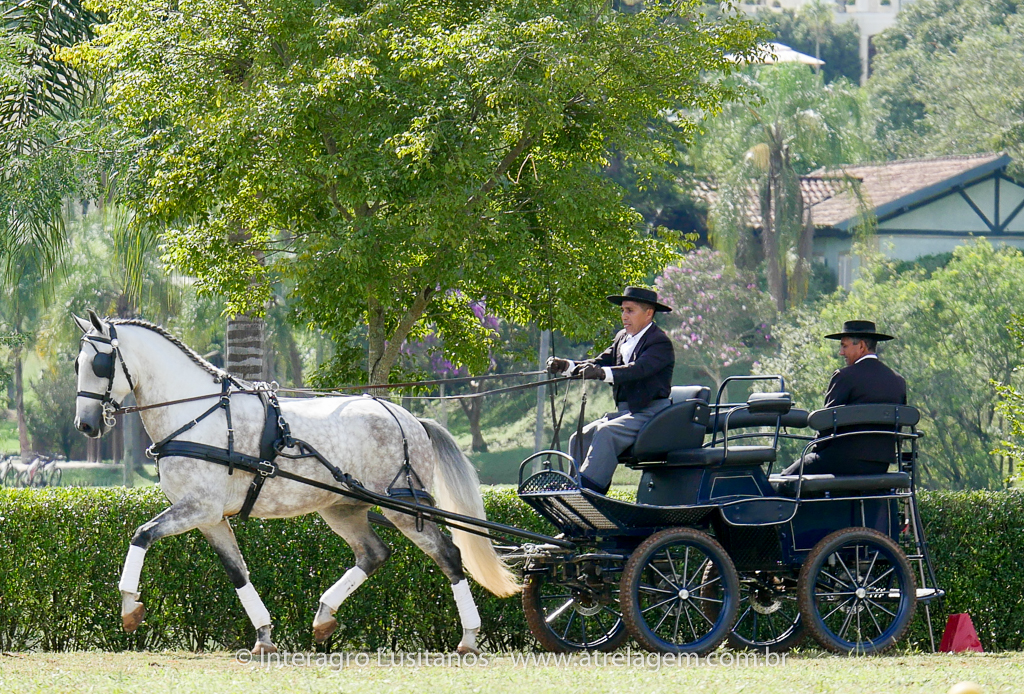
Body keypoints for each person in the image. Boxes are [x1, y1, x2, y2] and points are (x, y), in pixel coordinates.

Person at [546, 286, 675, 494]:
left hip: (651, 413)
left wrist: (600, 373)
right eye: (623, 310)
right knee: (580, 436)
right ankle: (573, 482)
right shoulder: (621, 338)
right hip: (627, 413)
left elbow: (637, 370)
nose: (624, 316)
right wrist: (567, 366)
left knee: (607, 432)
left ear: (649, 313)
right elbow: (598, 362)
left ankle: (588, 490)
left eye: (630, 310)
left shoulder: (659, 342)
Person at [781, 320, 907, 477]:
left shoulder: (845, 376)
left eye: (844, 346)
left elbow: (826, 425)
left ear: (861, 346)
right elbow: (898, 428)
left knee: (784, 480)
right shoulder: (898, 381)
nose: (841, 352)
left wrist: (815, 453)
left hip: (840, 461)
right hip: (880, 464)